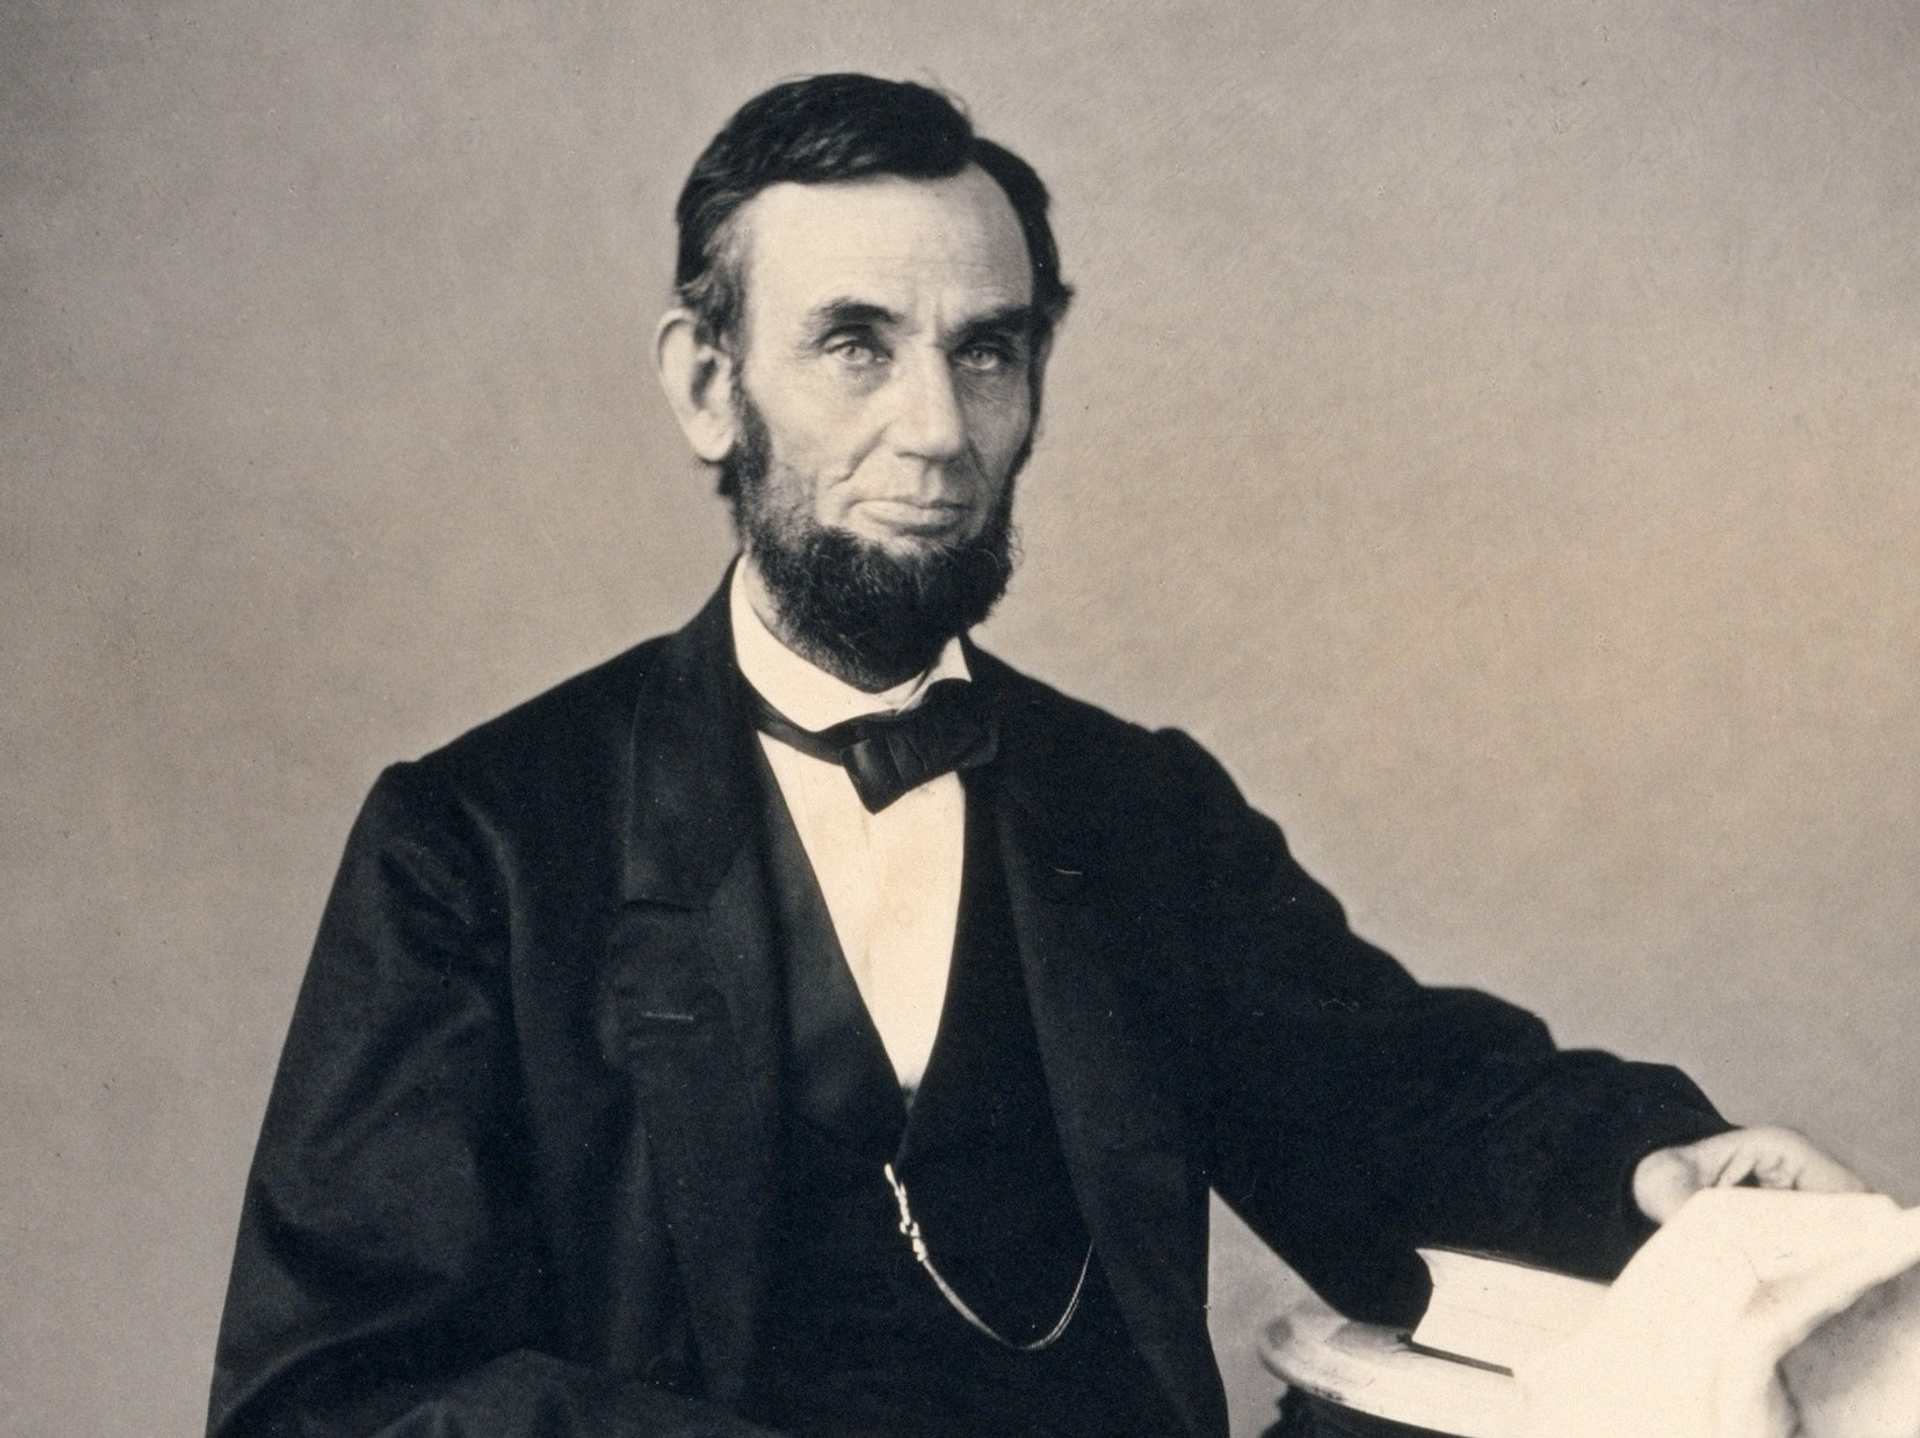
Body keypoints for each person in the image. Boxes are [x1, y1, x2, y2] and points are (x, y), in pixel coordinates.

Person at [207, 74, 1863, 1438]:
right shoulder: (481, 843)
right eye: (856, 344)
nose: (937, 430)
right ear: (710, 385)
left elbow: (1411, 1107)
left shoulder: (1137, 809)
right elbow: (330, 1403)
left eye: (985, 350)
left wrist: (1662, 1170)